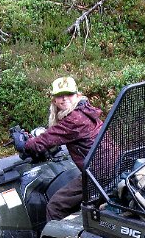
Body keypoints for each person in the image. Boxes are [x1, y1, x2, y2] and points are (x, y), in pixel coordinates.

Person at [17, 76, 105, 221]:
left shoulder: (75, 119)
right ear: (54, 99)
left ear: (77, 95)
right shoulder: (86, 111)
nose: (64, 99)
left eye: (69, 94)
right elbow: (56, 133)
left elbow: (43, 141)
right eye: (59, 95)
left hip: (97, 175)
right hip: (107, 166)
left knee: (55, 206)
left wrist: (24, 144)